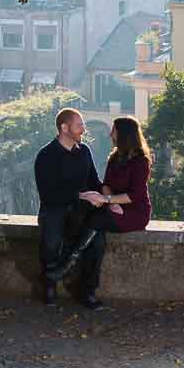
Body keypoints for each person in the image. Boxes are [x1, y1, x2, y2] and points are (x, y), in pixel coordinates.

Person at [45, 115, 152, 283]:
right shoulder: (115, 157)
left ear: (124, 134)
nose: (110, 135)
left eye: (114, 131)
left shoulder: (141, 161)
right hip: (114, 207)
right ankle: (73, 271)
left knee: (95, 219)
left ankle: (67, 262)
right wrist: (110, 202)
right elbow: (105, 184)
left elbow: (135, 195)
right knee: (94, 228)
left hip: (135, 213)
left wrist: (109, 201)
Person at [34, 107, 112, 310]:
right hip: (56, 209)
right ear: (64, 127)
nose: (83, 130)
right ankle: (50, 283)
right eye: (79, 125)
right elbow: (48, 195)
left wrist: (109, 198)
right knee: (51, 236)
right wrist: (80, 195)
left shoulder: (84, 151)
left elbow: (94, 181)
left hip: (81, 211)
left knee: (98, 242)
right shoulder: (45, 155)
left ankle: (87, 290)